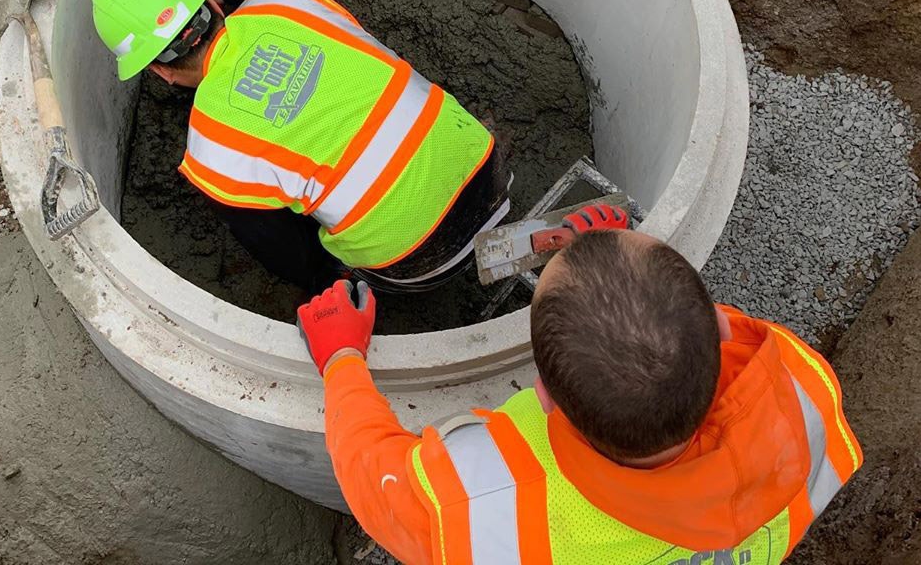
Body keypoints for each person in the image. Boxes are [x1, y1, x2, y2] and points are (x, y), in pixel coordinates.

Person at [297, 215, 862, 565]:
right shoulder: (795, 379)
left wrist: (342, 357)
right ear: (718, 326)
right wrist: (607, 266)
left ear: (543, 397)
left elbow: (377, 478)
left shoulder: (485, 506)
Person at [91, 0, 512, 293]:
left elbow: (281, 248)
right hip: (488, 169)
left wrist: (321, 279)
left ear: (160, 73)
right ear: (214, 5)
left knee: (289, 201)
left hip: (417, 263)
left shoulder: (210, 152)